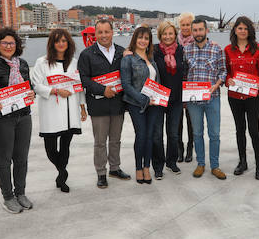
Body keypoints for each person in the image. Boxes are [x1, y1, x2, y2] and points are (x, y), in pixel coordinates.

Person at [0, 27, 35, 213]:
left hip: (23, 116)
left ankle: (20, 192)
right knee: (4, 160)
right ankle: (8, 197)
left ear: (17, 45)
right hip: (0, 119)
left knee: (21, 158)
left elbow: (30, 85)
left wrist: (31, 92)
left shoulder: (23, 64)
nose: (8, 46)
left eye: (12, 43)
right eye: (4, 42)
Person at [31, 28, 87, 193]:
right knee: (50, 148)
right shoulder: (42, 62)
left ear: (68, 43)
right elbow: (36, 85)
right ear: (52, 44)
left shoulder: (74, 62)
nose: (61, 44)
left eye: (64, 41)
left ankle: (61, 178)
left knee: (65, 146)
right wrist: (54, 91)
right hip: (51, 109)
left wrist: (82, 107)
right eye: (57, 41)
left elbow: (79, 87)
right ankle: (63, 171)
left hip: (71, 110)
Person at [78, 18, 130, 189]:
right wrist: (102, 90)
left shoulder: (121, 52)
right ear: (95, 34)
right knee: (100, 142)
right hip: (98, 105)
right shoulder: (87, 54)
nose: (104, 35)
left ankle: (114, 168)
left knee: (116, 139)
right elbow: (83, 79)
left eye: (107, 32)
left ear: (112, 32)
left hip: (117, 104)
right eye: (100, 32)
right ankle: (101, 172)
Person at [225, 16, 259, 180]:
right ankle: (242, 162)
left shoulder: (258, 49)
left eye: (245, 28)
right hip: (235, 97)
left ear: (249, 31)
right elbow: (225, 72)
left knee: (253, 130)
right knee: (240, 129)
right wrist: (227, 80)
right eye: (239, 28)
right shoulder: (228, 50)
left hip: (253, 97)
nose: (242, 31)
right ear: (235, 30)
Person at [183, 17, 227, 179]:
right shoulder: (186, 50)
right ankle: (200, 163)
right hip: (194, 100)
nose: (198, 33)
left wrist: (216, 85)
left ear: (206, 30)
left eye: (200, 30)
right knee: (197, 133)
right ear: (192, 32)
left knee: (214, 134)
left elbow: (223, 71)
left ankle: (215, 166)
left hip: (212, 98)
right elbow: (184, 74)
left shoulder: (217, 49)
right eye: (195, 30)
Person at [120, 25, 164, 184]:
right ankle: (138, 168)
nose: (143, 41)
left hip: (154, 104)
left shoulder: (151, 59)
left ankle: (147, 167)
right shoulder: (128, 59)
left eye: (146, 38)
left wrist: (158, 98)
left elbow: (156, 81)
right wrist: (144, 100)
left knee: (150, 136)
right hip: (136, 103)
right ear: (134, 39)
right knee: (141, 135)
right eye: (140, 37)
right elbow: (126, 85)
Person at [151, 20, 188, 178]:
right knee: (157, 135)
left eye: (170, 33)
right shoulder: (153, 50)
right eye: (164, 33)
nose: (167, 36)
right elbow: (137, 55)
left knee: (173, 134)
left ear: (175, 35)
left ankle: (171, 162)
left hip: (177, 98)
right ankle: (158, 166)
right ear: (160, 35)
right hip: (159, 98)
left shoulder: (181, 50)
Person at [176, 12, 196, 163]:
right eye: (183, 24)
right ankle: (179, 148)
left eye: (188, 24)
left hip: (192, 84)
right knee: (177, 119)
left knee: (191, 119)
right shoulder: (173, 42)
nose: (185, 27)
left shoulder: (197, 42)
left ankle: (190, 147)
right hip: (176, 84)